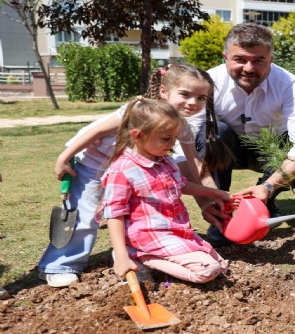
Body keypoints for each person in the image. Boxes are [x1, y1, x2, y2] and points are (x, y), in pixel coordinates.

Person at [37, 64, 230, 288]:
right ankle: (59, 265)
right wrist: (65, 156)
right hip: (95, 164)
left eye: (201, 98)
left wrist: (211, 198)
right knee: (84, 215)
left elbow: (195, 164)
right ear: (164, 92)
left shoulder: (182, 127)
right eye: (185, 94)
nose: (193, 103)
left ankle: (136, 249)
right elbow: (96, 131)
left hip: (136, 168)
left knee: (138, 211)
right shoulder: (137, 110)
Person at [187, 23, 295, 246]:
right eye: (240, 59)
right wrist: (210, 195)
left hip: (268, 151)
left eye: (258, 61)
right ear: (225, 56)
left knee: (291, 147)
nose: (249, 68)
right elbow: (187, 142)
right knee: (214, 131)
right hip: (226, 148)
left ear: (271, 59)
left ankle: (264, 200)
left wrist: (269, 186)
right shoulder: (207, 82)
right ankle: (222, 213)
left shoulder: (289, 84)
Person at [102, 98, 230, 283]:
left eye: (174, 138)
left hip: (175, 231)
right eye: (166, 138)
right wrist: (121, 255)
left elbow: (180, 184)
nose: (172, 144)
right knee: (208, 270)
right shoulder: (122, 170)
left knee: (221, 266)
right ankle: (138, 255)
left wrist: (216, 193)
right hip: (148, 235)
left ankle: (154, 261)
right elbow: (114, 214)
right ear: (137, 135)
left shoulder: (165, 160)